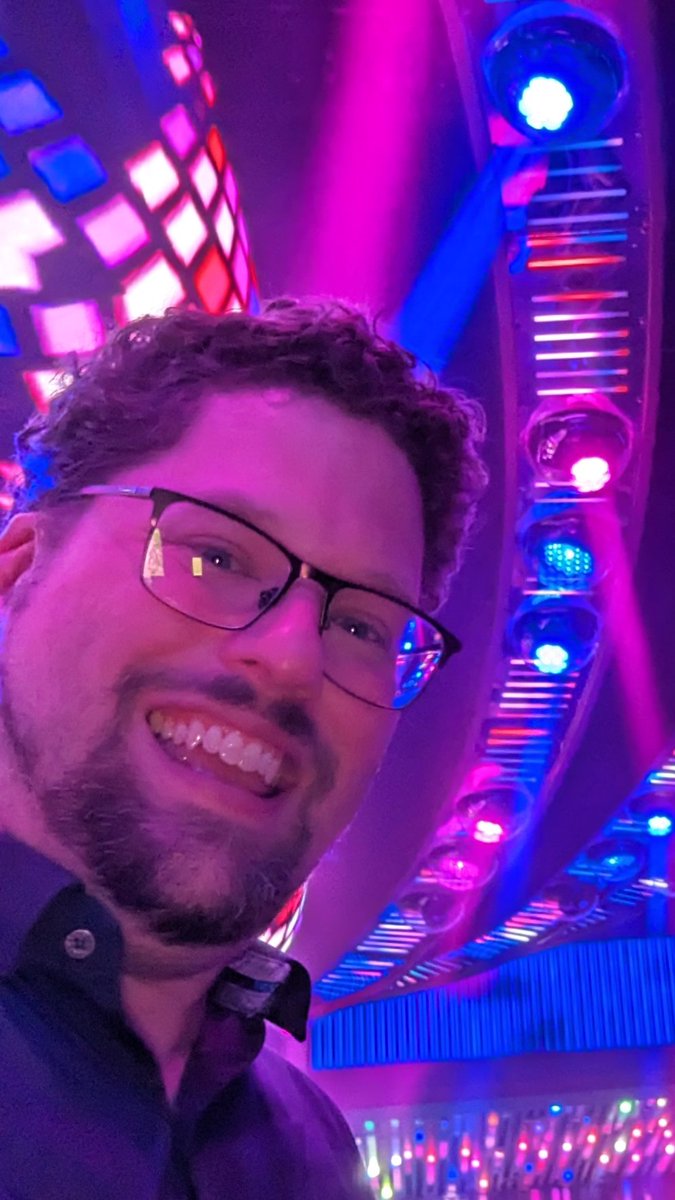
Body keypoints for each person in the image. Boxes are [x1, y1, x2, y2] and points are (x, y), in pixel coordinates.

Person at [0, 299, 486, 1200]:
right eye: (216, 556)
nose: (294, 661)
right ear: (20, 568)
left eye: (362, 625)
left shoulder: (309, 1145)